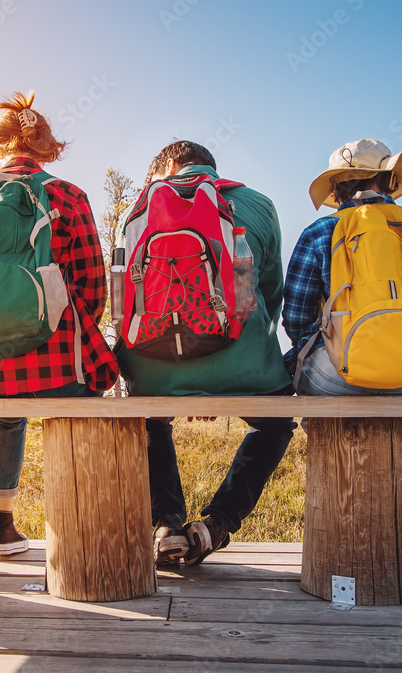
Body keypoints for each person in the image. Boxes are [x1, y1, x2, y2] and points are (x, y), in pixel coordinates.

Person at [0, 91, 119, 556]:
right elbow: (92, 284)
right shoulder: (67, 195)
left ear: (1, 144)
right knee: (78, 402)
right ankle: (81, 532)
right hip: (56, 364)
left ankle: (1, 524)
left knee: (6, 407)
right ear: (46, 147)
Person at [282, 138, 402, 559]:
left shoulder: (320, 232)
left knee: (309, 371)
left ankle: (337, 512)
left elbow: (296, 318)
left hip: (339, 375)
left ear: (336, 190)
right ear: (391, 180)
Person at [115, 140, 296, 566]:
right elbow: (267, 291)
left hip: (152, 366)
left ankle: (164, 523)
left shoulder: (140, 207)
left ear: (171, 165)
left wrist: (186, 380)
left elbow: (126, 298)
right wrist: (226, 366)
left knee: (149, 421)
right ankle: (218, 522)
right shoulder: (258, 203)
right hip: (242, 362)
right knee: (276, 425)